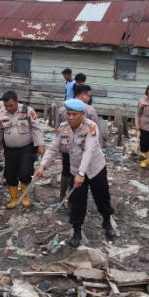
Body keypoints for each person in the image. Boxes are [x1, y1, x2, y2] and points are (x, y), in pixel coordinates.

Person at [35, 99, 116, 248]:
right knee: (77, 201)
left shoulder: (91, 127)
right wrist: (42, 165)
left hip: (95, 169)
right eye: (68, 114)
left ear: (82, 114)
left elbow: (89, 150)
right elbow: (53, 147)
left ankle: (106, 221)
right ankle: (77, 230)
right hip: (76, 169)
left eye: (74, 114)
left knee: (102, 195)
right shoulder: (63, 127)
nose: (70, 117)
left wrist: (81, 173)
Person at [0, 91, 44, 209]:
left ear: (17, 102)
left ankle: (24, 197)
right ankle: (14, 199)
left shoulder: (28, 111)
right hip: (10, 150)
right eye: (6, 105)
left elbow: (36, 129)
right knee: (10, 175)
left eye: (11, 105)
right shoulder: (1, 114)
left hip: (26, 148)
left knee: (25, 173)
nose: (9, 108)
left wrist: (40, 145)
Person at [55, 84, 99, 201]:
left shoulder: (62, 108)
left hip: (66, 145)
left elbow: (57, 130)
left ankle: (62, 196)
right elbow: (95, 132)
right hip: (81, 148)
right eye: (88, 96)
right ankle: (71, 200)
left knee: (66, 170)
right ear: (83, 95)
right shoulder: (89, 109)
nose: (89, 98)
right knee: (77, 172)